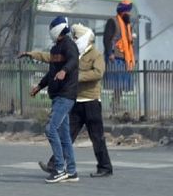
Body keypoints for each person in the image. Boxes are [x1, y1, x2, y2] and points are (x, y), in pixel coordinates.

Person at [20, 24, 113, 178]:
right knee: (66, 134)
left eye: (77, 37)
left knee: (97, 136)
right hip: (75, 100)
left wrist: (74, 75)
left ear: (84, 38)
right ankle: (55, 164)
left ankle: (105, 167)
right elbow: (50, 58)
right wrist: (32, 55)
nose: (74, 39)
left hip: (90, 101)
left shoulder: (96, 55)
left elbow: (98, 73)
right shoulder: (74, 53)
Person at [29, 17, 79, 184]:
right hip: (58, 95)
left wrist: (65, 71)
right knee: (64, 135)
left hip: (66, 95)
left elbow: (73, 61)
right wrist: (39, 86)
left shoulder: (69, 45)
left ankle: (59, 169)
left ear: (56, 30)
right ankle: (71, 171)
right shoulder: (55, 48)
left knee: (51, 129)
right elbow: (51, 73)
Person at [103, 0, 136, 114]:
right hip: (115, 57)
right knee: (116, 83)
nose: (130, 14)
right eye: (128, 11)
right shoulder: (112, 21)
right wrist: (110, 53)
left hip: (125, 58)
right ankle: (115, 104)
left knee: (122, 84)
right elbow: (106, 39)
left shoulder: (128, 25)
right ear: (122, 12)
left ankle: (116, 102)